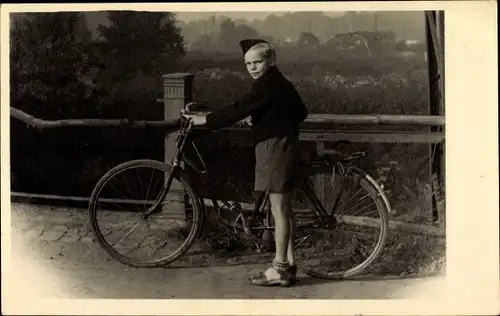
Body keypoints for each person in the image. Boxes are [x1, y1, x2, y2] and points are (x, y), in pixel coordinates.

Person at [181, 39, 308, 287]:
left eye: (257, 62)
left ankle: (280, 268)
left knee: (279, 210)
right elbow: (300, 112)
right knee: (283, 209)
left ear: (271, 61)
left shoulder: (268, 83)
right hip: (278, 143)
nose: (252, 67)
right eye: (248, 63)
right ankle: (288, 264)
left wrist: (203, 121)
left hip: (274, 146)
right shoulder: (277, 82)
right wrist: (266, 119)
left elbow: (239, 108)